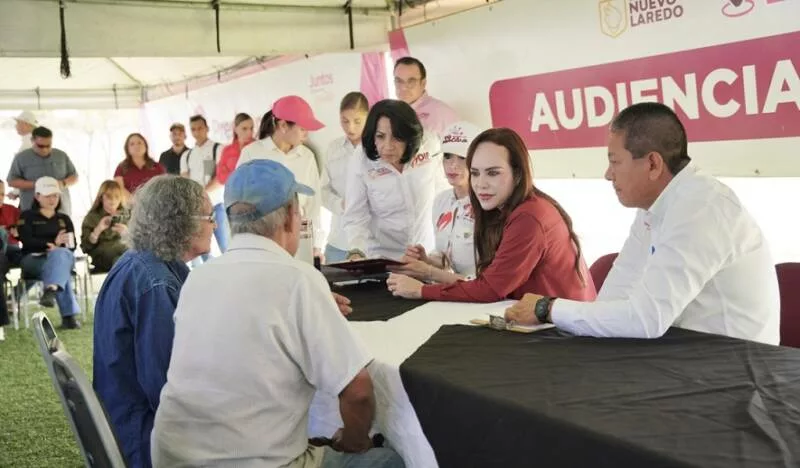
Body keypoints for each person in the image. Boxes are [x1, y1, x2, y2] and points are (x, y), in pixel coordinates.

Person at [151, 159, 404, 468]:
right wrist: (354, 441)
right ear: (289, 218)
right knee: (389, 459)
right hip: (257, 463)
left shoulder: (197, 279)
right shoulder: (298, 279)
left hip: (173, 458)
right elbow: (358, 392)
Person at [504, 103, 781, 345]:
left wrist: (547, 308)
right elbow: (617, 295)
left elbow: (647, 318)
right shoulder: (655, 207)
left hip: (737, 366)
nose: (608, 174)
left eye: (615, 162)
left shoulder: (702, 207)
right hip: (687, 353)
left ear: (652, 164)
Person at [388, 128, 596, 303]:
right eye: (476, 173)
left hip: (562, 333)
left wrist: (421, 290)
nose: (481, 184)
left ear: (518, 173)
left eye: (493, 173)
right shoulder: (499, 208)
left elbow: (489, 290)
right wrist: (430, 269)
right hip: (532, 318)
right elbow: (487, 282)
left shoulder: (530, 217)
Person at [93, 175, 214, 468]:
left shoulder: (143, 263)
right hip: (147, 438)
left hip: (126, 420)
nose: (216, 224)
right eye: (209, 217)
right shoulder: (155, 283)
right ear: (181, 222)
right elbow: (167, 387)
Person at [343, 99, 446, 261]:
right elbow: (356, 216)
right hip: (383, 258)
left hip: (426, 256)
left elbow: (443, 197)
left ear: (410, 138)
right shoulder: (362, 158)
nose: (388, 146)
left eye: (397, 138)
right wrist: (357, 252)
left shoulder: (429, 145)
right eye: (381, 136)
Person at [390, 121, 482, 283]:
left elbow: (491, 278)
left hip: (486, 293)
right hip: (455, 291)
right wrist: (425, 259)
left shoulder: (489, 203)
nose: (453, 165)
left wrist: (428, 271)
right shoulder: (441, 201)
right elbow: (446, 260)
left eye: (462, 157)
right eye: (447, 156)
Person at [236, 95, 326, 259]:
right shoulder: (252, 154)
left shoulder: (307, 157)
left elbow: (313, 205)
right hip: (260, 246)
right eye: (302, 129)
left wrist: (316, 246)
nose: (305, 135)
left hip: (299, 245)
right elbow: (237, 204)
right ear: (283, 125)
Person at [16, 177, 81, 328]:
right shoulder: (27, 216)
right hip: (34, 259)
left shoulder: (64, 219)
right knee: (60, 265)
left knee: (60, 257)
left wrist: (59, 248)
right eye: (47, 195)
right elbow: (27, 241)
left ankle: (51, 288)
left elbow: (72, 245)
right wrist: (51, 244)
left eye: (55, 195)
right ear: (37, 196)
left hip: (60, 257)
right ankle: (68, 317)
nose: (52, 199)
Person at [322, 92, 369, 263]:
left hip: (371, 242)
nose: (351, 128)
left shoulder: (378, 149)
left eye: (357, 121)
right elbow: (323, 190)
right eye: (345, 121)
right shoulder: (333, 149)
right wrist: (340, 204)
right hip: (338, 241)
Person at [181, 115, 229, 259]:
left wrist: (201, 193)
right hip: (197, 210)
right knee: (202, 252)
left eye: (200, 128)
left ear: (207, 128)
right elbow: (184, 180)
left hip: (216, 205)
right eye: (193, 129)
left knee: (226, 247)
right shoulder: (187, 155)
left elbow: (221, 177)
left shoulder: (219, 149)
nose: (197, 132)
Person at [7, 126, 78, 215]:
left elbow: (74, 176)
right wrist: (37, 185)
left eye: (48, 146)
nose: (45, 149)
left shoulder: (61, 156)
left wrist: (63, 183)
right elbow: (11, 181)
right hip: (31, 211)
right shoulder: (21, 158)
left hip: (61, 211)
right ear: (32, 141)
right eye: (40, 146)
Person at [393, 57, 458, 138]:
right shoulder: (391, 113)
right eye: (399, 81)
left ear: (423, 83)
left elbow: (458, 149)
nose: (403, 87)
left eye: (411, 81)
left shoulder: (444, 114)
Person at [81, 180, 129, 272]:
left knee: (128, 258)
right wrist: (97, 230)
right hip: (103, 256)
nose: (113, 201)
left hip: (125, 253)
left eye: (116, 197)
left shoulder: (128, 215)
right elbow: (85, 247)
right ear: (101, 197)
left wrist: (127, 233)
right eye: (109, 197)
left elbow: (140, 242)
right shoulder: (92, 217)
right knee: (121, 260)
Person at [216, 113, 254, 185]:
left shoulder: (258, 147)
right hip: (234, 194)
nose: (249, 132)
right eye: (244, 129)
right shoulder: (227, 150)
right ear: (235, 129)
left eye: (251, 128)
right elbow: (220, 177)